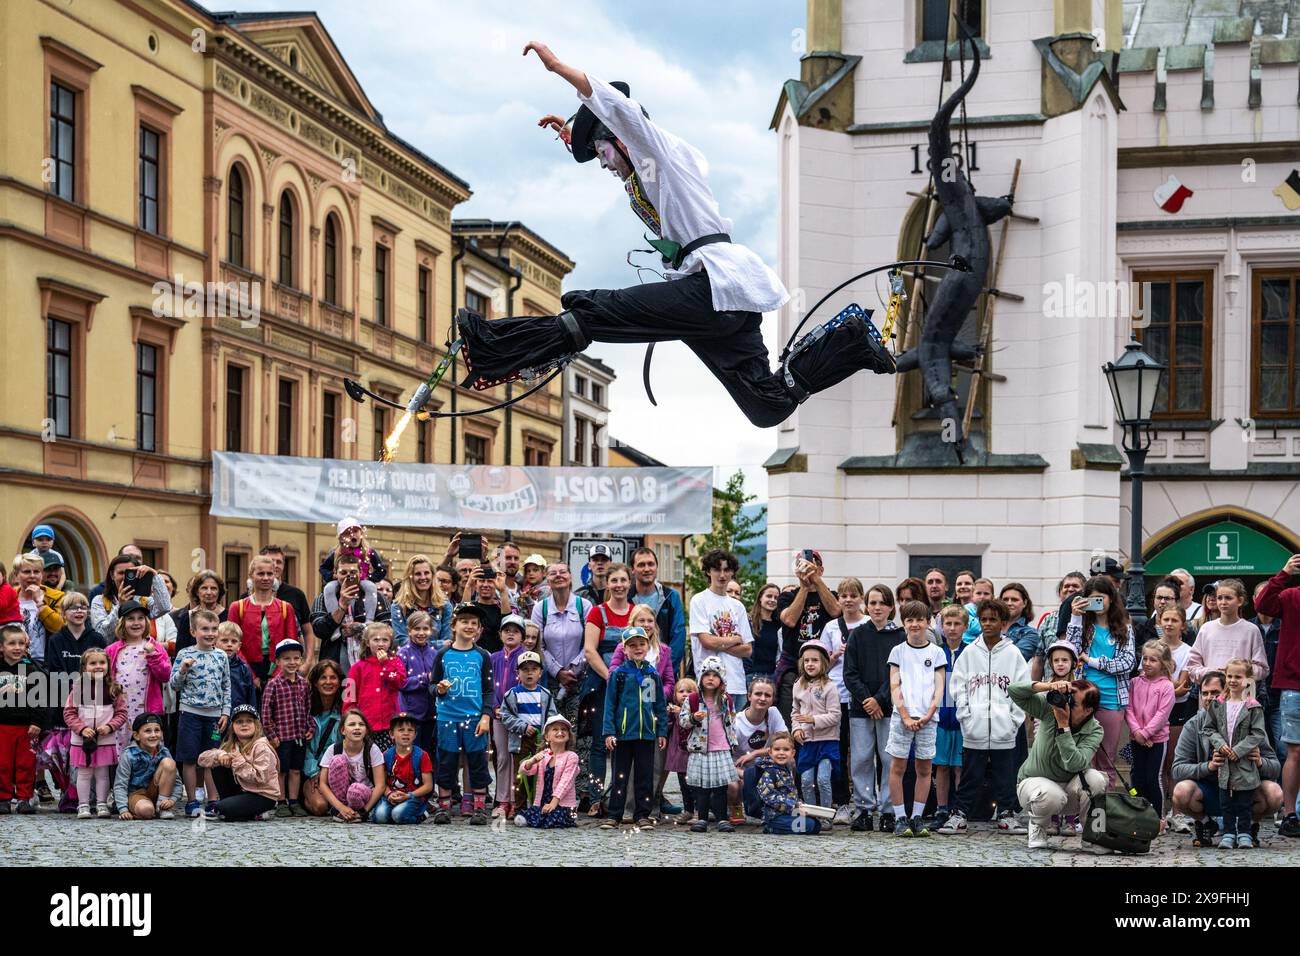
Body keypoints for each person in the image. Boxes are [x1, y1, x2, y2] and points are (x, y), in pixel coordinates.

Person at [457, 44, 893, 430]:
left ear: (623, 139)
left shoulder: (658, 153)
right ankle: (850, 340)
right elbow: (616, 145)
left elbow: (622, 115)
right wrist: (581, 138)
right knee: (766, 406)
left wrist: (560, 69)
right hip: (723, 299)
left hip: (711, 287)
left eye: (605, 153)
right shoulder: (649, 177)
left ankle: (495, 347)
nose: (606, 165)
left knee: (589, 308)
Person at [940, 598, 1029, 835]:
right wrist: (966, 718)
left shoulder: (1013, 654)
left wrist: (1013, 722)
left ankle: (1007, 814)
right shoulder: (969, 653)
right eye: (984, 619)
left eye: (993, 619)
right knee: (971, 775)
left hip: (1004, 729)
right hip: (974, 728)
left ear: (1002, 622)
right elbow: (957, 687)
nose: (988, 624)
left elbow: (1023, 689)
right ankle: (959, 815)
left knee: (1005, 775)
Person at [1170, 671, 1284, 847]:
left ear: (1227, 693)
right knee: (1181, 792)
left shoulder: (1250, 718)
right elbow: (1177, 769)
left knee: (1274, 793)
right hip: (1210, 791)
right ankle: (1207, 823)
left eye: (1214, 693)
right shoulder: (1193, 724)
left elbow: (1275, 768)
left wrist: (1260, 762)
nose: (1208, 698)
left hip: (1245, 788)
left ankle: (1249, 826)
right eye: (1205, 693)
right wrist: (1208, 766)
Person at [1011, 677, 1107, 848]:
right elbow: (1014, 691)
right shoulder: (1050, 710)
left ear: (1088, 710)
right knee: (1052, 795)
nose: (1066, 704)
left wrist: (1063, 727)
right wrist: (1048, 686)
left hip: (1069, 791)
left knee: (1097, 779)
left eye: (1073, 703)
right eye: (1068, 697)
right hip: (1033, 785)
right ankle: (1038, 826)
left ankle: (1092, 834)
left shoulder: (1095, 730)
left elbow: (1075, 765)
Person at [843, 582, 905, 831]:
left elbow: (898, 674)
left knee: (889, 759)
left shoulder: (900, 637)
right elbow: (850, 673)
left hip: (890, 707)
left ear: (891, 606)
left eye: (882, 603)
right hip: (861, 709)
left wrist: (880, 699)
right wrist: (868, 700)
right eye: (872, 602)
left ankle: (889, 810)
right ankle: (865, 809)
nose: (877, 607)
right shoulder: (858, 634)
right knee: (861, 759)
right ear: (866, 606)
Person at [1064, 575, 1135, 785]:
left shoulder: (1125, 627)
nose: (1098, 603)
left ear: (1111, 598)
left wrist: (1093, 661)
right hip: (1082, 697)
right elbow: (1071, 651)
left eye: (1101, 598)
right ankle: (1082, 813)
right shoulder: (1084, 625)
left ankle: (1105, 812)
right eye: (1092, 599)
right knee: (1083, 758)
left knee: (1107, 761)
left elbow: (1127, 663)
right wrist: (1075, 617)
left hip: (1112, 699)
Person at [609, 602, 678, 817]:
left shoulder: (662, 652)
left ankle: (647, 810)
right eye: (642, 620)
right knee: (622, 771)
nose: (647, 624)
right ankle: (621, 811)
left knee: (650, 769)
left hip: (650, 719)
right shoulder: (623, 653)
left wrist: (658, 694)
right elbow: (613, 675)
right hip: (627, 718)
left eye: (650, 620)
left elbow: (668, 680)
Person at [885, 601, 947, 837]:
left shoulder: (937, 653)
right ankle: (900, 817)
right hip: (902, 718)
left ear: (927, 622)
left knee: (924, 767)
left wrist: (929, 714)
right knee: (898, 766)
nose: (914, 624)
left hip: (928, 719)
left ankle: (917, 816)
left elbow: (939, 688)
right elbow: (895, 685)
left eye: (919, 619)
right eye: (909, 620)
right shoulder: (898, 651)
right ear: (904, 623)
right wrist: (905, 715)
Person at [579, 561, 636, 813]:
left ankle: (619, 798)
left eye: (623, 580)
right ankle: (594, 798)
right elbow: (590, 651)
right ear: (608, 584)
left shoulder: (636, 612)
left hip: (633, 689)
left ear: (629, 583)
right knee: (600, 744)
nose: (619, 585)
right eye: (614, 581)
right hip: (603, 686)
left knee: (626, 743)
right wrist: (612, 677)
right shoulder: (597, 613)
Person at [430, 603, 494, 825]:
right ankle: (444, 806)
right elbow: (432, 685)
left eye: (474, 623)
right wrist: (439, 689)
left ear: (478, 629)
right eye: (464, 621)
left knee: (477, 762)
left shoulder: (482, 656)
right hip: (448, 718)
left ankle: (478, 807)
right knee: (446, 761)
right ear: (454, 625)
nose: (469, 626)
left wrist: (486, 716)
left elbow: (488, 690)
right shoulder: (443, 654)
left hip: (474, 718)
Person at [43, 592, 107, 812]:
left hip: (94, 703)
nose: (79, 611)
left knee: (91, 752)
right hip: (66, 703)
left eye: (83, 607)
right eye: (73, 607)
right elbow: (54, 671)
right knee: (65, 754)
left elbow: (102, 669)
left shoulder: (97, 638)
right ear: (63, 613)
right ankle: (69, 793)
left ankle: (90, 796)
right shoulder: (56, 639)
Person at [600, 625, 668, 829]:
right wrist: (609, 732)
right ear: (625, 649)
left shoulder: (653, 675)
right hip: (622, 735)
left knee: (644, 777)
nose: (638, 648)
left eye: (641, 644)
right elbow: (609, 705)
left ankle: (642, 815)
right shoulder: (618, 675)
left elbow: (660, 706)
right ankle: (615, 814)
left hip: (646, 735)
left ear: (648, 646)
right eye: (632, 645)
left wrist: (661, 731)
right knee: (620, 776)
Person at [1254, 554, 1300, 838]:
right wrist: (1283, 573)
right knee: (1294, 752)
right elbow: (1263, 605)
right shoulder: (1293, 596)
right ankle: (1290, 813)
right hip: (1295, 686)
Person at [169, 609, 231, 818]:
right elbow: (174, 685)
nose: (210, 633)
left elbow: (226, 686)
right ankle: (192, 801)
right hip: (190, 714)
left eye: (214, 629)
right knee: (189, 759)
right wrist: (183, 670)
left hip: (214, 716)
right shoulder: (185, 654)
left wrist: (225, 712)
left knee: (211, 758)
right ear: (193, 630)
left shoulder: (221, 655)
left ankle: (213, 800)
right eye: (205, 629)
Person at [1202, 659, 1269, 848]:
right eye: (1229, 676)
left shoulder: (1252, 706)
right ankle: (1229, 833)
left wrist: (1239, 750)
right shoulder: (1218, 704)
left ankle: (1245, 833)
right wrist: (1221, 744)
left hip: (1244, 763)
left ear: (1247, 680)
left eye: (1238, 677)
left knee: (1244, 803)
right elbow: (1209, 728)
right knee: (1226, 802)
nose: (1232, 680)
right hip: (1224, 764)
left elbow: (1257, 733)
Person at [62, 648, 126, 819]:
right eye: (93, 663)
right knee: (84, 773)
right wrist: (82, 729)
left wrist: (110, 726)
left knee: (102, 774)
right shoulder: (78, 688)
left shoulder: (114, 689)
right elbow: (69, 713)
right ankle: (83, 805)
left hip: (105, 739)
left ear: (108, 665)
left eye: (102, 663)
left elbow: (121, 713)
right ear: (84, 668)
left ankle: (102, 803)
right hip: (82, 739)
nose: (98, 666)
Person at [775, 549, 838, 723]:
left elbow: (835, 611)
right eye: (803, 566)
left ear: (821, 570)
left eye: (813, 566)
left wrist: (817, 582)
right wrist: (804, 587)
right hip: (792, 666)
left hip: (824, 667)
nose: (808, 570)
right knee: (790, 719)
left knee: (821, 719)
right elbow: (789, 620)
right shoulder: (787, 596)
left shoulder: (830, 595)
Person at [817, 576, 862, 817]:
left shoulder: (867, 623)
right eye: (844, 596)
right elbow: (820, 663)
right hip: (837, 696)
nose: (848, 600)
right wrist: (835, 654)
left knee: (864, 751)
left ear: (861, 598)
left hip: (862, 696)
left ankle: (866, 799)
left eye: (853, 595)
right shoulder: (831, 627)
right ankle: (842, 800)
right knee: (840, 748)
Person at [689, 549, 754, 712]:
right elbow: (706, 641)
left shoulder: (737, 606)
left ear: (732, 572)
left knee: (734, 735)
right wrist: (734, 640)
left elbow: (747, 650)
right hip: (710, 682)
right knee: (713, 735)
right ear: (708, 571)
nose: (722, 575)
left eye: (726, 570)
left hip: (737, 683)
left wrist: (718, 642)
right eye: (717, 569)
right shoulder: (699, 600)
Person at [679, 656, 739, 832]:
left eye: (715, 675)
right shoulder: (693, 699)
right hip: (700, 749)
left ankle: (722, 818)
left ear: (721, 679)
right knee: (701, 788)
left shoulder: (726, 699)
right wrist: (693, 718)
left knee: (720, 787)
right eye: (707, 674)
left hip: (720, 748)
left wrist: (732, 742)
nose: (710, 678)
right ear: (700, 678)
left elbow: (732, 721)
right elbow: (682, 721)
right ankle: (702, 818)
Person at [105, 599, 173, 751]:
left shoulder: (154, 646)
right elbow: (106, 679)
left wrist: (153, 655)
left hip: (147, 711)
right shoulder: (112, 650)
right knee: (122, 753)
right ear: (122, 622)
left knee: (149, 752)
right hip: (120, 712)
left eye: (140, 618)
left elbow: (166, 675)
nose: (136, 623)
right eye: (131, 618)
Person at [196, 704, 281, 822]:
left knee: (221, 808)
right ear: (233, 727)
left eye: (249, 721)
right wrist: (220, 755)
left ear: (256, 725)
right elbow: (202, 759)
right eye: (239, 721)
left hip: (263, 796)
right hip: (243, 790)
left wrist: (238, 760)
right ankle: (247, 812)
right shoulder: (232, 745)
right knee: (218, 764)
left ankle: (249, 810)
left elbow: (260, 778)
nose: (244, 724)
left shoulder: (262, 747)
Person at [499, 650, 559, 816]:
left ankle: (538, 806)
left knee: (541, 774)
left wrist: (547, 733)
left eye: (533, 669)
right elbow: (505, 716)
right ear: (518, 673)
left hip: (540, 741)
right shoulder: (512, 694)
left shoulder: (545, 694)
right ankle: (519, 808)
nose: (529, 673)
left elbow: (552, 716)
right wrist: (522, 726)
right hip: (521, 741)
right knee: (521, 774)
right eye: (525, 669)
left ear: (540, 673)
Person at [311, 552, 391, 675]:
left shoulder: (377, 598)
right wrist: (342, 606)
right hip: (335, 669)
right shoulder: (323, 598)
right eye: (343, 572)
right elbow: (319, 629)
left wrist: (362, 629)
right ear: (335, 573)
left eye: (353, 572)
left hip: (371, 667)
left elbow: (388, 628)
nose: (348, 576)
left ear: (361, 573)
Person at [1125, 639, 1176, 831]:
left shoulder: (1167, 687)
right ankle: (1138, 812)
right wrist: (1137, 732)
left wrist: (1146, 733)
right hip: (1135, 738)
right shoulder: (1134, 682)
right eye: (1145, 658)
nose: (1147, 663)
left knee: (1153, 778)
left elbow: (1162, 715)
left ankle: (1158, 817)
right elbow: (1128, 708)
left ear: (1162, 664)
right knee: (1137, 778)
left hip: (1157, 741)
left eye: (1153, 660)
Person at [226, 556, 298, 690]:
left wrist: (277, 675)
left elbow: (291, 645)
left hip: (278, 667)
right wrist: (251, 676)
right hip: (244, 667)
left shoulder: (285, 607)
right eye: (260, 573)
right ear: (251, 576)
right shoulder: (237, 607)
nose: (265, 578)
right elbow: (231, 644)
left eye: (269, 574)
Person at [260, 638, 312, 817]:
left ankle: (294, 801)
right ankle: (281, 801)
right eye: (287, 659)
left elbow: (307, 709)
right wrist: (271, 734)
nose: (292, 662)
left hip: (298, 734)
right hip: (281, 737)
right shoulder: (273, 684)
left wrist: (309, 727)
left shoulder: (304, 683)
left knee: (296, 769)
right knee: (281, 770)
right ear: (278, 662)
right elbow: (266, 712)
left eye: (296, 658)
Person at [1155, 604, 1196, 831]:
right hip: (1154, 708)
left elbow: (1182, 688)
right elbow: (1149, 678)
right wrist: (1169, 685)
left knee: (1173, 761)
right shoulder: (1154, 649)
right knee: (1157, 764)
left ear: (1183, 624)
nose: (1169, 623)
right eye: (1166, 619)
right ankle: (1159, 812)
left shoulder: (1187, 651)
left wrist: (1163, 681)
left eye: (1174, 620)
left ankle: (1177, 812)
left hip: (1178, 709)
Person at [791, 641, 840, 822]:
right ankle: (812, 817)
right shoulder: (798, 685)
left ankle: (825, 816)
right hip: (807, 743)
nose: (810, 664)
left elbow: (835, 716)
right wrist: (796, 730)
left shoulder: (830, 687)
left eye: (815, 661)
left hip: (827, 742)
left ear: (824, 663)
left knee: (822, 780)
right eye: (806, 661)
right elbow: (795, 712)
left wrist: (814, 720)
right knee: (805, 781)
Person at [1187, 579, 1269, 687]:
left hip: (1241, 696)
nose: (1223, 602)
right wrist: (1212, 673)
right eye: (1219, 598)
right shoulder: (1206, 629)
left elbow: (1262, 669)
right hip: (1211, 694)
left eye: (1228, 598)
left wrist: (1237, 672)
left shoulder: (1251, 630)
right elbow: (1192, 666)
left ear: (1240, 601)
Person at [344, 623, 407, 753]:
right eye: (376, 639)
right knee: (367, 760)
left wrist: (386, 663)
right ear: (367, 642)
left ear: (390, 643)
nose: (380, 643)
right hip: (365, 725)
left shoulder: (395, 662)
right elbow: (349, 697)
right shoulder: (358, 667)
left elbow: (399, 682)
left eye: (385, 640)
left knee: (388, 760)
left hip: (389, 724)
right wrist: (350, 720)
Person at [931, 605, 967, 829]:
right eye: (948, 624)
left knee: (959, 766)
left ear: (965, 626)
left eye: (957, 624)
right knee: (942, 765)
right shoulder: (936, 652)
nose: (952, 628)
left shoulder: (970, 651)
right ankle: (941, 808)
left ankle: (959, 808)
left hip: (963, 720)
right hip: (941, 718)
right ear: (942, 627)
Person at [317, 708, 385, 823]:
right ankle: (342, 812)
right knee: (338, 760)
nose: (357, 727)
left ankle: (357, 814)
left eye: (361, 724)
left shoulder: (372, 749)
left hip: (363, 795)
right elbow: (322, 784)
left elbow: (380, 785)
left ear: (366, 730)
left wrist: (364, 811)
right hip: (341, 798)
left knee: (355, 791)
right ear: (343, 730)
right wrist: (340, 807)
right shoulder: (333, 749)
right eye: (352, 724)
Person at [732, 676, 787, 819]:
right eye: (758, 694)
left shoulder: (773, 713)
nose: (762, 698)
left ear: (772, 699)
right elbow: (724, 760)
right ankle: (735, 807)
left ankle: (780, 804)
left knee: (789, 762)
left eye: (767, 695)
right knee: (734, 785)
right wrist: (747, 776)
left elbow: (786, 744)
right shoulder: (736, 723)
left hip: (765, 767)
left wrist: (755, 753)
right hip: (737, 770)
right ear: (749, 696)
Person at [489, 614, 527, 818]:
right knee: (502, 757)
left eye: (516, 631)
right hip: (498, 715)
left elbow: (529, 684)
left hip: (520, 716)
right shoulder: (493, 658)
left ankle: (516, 799)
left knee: (518, 757)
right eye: (507, 630)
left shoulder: (526, 657)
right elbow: (490, 684)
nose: (511, 634)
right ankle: (502, 799)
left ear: (522, 635)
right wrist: (496, 706)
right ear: (500, 634)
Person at [113, 713, 183, 820]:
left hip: (156, 792)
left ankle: (162, 808)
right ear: (136, 735)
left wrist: (172, 800)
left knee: (169, 763)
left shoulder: (164, 752)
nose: (153, 735)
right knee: (147, 811)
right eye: (148, 731)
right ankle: (145, 809)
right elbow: (120, 784)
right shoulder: (129, 754)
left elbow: (177, 781)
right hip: (135, 795)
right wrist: (123, 809)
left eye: (157, 730)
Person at [515, 714, 580, 829]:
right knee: (528, 814)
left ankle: (544, 816)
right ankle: (538, 815)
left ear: (569, 735)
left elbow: (566, 782)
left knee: (550, 819)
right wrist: (532, 760)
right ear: (547, 737)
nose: (560, 732)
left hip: (562, 804)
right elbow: (524, 771)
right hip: (542, 802)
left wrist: (553, 803)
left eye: (564, 729)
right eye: (555, 729)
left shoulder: (571, 757)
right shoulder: (544, 755)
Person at [629, 547, 687, 674]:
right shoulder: (626, 598)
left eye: (651, 564)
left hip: (664, 675)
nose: (647, 569)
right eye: (641, 565)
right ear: (633, 569)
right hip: (631, 673)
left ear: (656, 567)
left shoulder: (671, 597)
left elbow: (678, 637)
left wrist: (664, 670)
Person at [90, 554, 172, 642]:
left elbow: (165, 608)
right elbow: (102, 635)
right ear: (112, 575)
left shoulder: (143, 600)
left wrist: (154, 575)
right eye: (121, 573)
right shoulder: (99, 601)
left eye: (130, 573)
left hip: (140, 652)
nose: (126, 577)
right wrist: (120, 606)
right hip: (112, 654)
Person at [755, 732, 822, 835]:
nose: (781, 753)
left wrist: (801, 805)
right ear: (770, 752)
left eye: (786, 750)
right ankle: (771, 828)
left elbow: (791, 794)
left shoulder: (787, 771)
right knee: (809, 825)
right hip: (775, 817)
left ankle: (791, 827)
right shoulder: (769, 772)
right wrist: (792, 805)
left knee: (816, 824)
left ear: (793, 753)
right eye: (777, 749)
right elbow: (768, 796)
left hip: (789, 813)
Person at [301, 659, 344, 816]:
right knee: (320, 807)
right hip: (312, 771)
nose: (328, 682)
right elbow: (303, 749)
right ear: (315, 682)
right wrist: (315, 773)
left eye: (333, 678)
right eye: (323, 678)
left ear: (339, 682)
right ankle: (303, 797)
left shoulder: (344, 712)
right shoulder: (306, 710)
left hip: (336, 772)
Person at [372, 712, 432, 824]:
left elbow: (428, 785)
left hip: (412, 796)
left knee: (398, 815)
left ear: (415, 734)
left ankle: (421, 813)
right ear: (391, 734)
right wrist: (389, 794)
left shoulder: (422, 756)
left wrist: (409, 795)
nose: (406, 733)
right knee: (380, 816)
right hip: (392, 796)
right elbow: (381, 783)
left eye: (410, 730)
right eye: (401, 730)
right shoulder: (386, 755)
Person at [397, 610, 439, 755]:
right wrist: (425, 678)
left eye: (425, 629)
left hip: (432, 714)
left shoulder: (435, 654)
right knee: (413, 753)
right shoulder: (403, 653)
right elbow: (400, 683)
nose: (421, 633)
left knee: (428, 754)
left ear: (431, 630)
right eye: (417, 629)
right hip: (411, 715)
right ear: (409, 631)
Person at [391, 555, 453, 650]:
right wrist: (438, 644)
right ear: (410, 577)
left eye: (427, 573)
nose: (423, 577)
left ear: (432, 575)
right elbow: (401, 641)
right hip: (410, 661)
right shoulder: (399, 606)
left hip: (437, 660)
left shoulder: (444, 604)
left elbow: (448, 642)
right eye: (418, 574)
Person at [1033, 572, 1086, 679]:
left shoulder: (1090, 619)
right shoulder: (1048, 620)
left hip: (1080, 686)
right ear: (1059, 592)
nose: (1070, 589)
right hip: (1050, 686)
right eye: (1066, 586)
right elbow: (1039, 659)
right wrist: (1035, 689)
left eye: (1075, 586)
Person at [13, 553, 62, 662]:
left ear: (42, 574)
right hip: (12, 663)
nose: (32, 576)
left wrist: (39, 603)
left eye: (36, 572)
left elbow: (60, 628)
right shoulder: (8, 598)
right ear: (16, 575)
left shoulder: (56, 597)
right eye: (26, 572)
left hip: (46, 665)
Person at [319, 517, 388, 586]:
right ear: (341, 538)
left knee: (370, 587)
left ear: (361, 533)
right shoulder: (337, 552)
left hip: (363, 582)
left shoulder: (368, 551)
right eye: (347, 533)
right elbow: (323, 568)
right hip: (341, 583)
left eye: (355, 531)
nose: (352, 535)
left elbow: (382, 570)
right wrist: (331, 576)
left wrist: (370, 578)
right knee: (329, 588)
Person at [172, 570, 227, 655]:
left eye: (213, 588)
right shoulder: (188, 617)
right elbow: (180, 652)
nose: (209, 592)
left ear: (219, 591)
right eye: (204, 588)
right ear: (197, 592)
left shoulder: (228, 615)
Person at [666, 677, 697, 822]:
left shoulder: (696, 710)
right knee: (683, 783)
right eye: (681, 691)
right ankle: (688, 809)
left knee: (695, 783)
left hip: (692, 753)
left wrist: (681, 714)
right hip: (679, 753)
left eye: (689, 691)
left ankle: (698, 809)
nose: (685, 694)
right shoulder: (672, 709)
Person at [464, 560, 512, 653]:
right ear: (476, 584)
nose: (485, 585)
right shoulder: (472, 606)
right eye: (481, 581)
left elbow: (508, 621)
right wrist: (468, 585)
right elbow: (461, 614)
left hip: (497, 657)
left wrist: (502, 590)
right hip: (472, 655)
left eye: (490, 581)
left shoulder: (500, 608)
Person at [217, 622, 257, 714]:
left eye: (234, 641)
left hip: (238, 715)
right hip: (216, 714)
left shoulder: (244, 669)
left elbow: (251, 696)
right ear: (215, 642)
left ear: (239, 646)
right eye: (224, 641)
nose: (229, 644)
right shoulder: (211, 665)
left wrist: (252, 715)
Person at [748, 583, 782, 682]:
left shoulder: (779, 625)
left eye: (776, 598)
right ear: (760, 598)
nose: (772, 600)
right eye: (769, 596)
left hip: (772, 676)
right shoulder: (749, 622)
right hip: (751, 676)